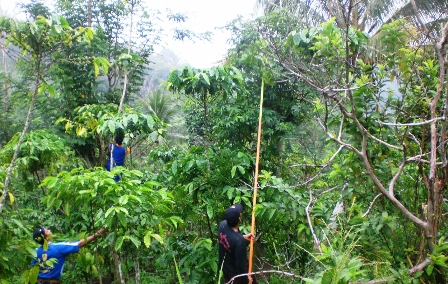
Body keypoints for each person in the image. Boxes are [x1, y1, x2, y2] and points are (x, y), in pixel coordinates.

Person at [31, 226, 105, 284]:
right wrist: (97, 234)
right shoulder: (57, 248)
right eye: (47, 231)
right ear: (47, 238)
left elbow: (32, 272)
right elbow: (79, 243)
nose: (49, 230)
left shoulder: (35, 252)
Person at [218, 204, 255, 284]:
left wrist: (242, 236)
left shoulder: (222, 225)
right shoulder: (239, 242)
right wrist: (247, 281)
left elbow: (229, 236)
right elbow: (241, 267)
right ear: (239, 218)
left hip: (225, 269)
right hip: (235, 276)